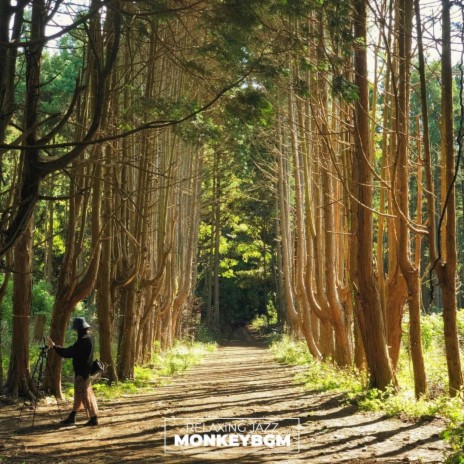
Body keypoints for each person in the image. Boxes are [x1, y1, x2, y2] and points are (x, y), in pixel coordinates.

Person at [47, 317, 99, 426]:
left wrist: (54, 347)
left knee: (84, 395)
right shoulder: (89, 338)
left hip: (82, 373)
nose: (75, 331)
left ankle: (93, 418)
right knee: (79, 395)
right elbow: (72, 351)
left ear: (79, 329)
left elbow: (69, 352)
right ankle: (72, 416)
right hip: (84, 371)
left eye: (76, 329)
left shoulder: (83, 340)